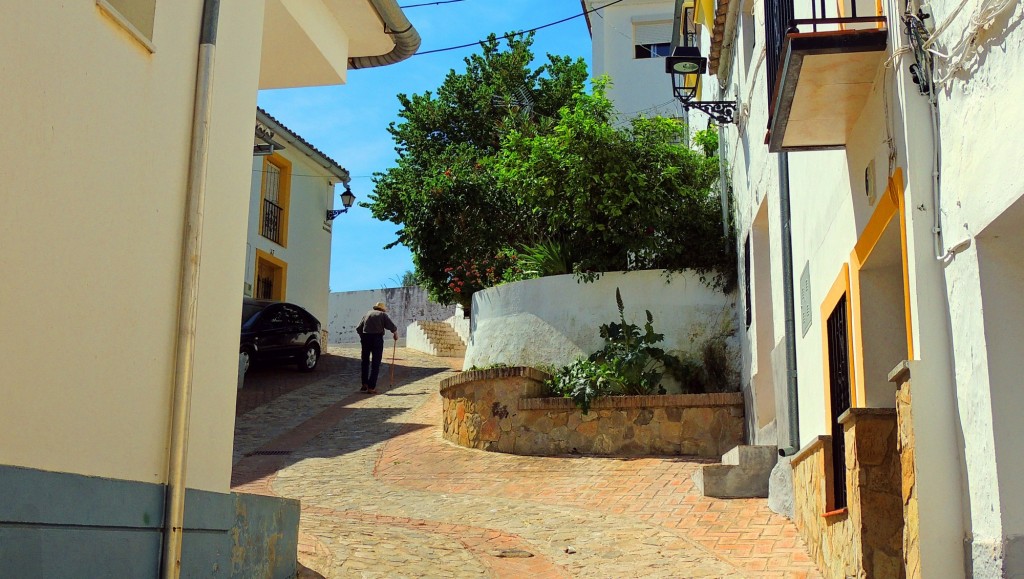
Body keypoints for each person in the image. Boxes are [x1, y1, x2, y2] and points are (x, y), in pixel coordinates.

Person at [355, 301, 398, 394]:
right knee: (376, 363)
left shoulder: (367, 314)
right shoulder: (382, 315)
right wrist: (395, 334)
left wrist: (363, 337)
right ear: (382, 309)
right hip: (377, 339)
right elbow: (391, 326)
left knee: (365, 362)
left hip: (366, 338)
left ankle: (364, 384)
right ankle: (371, 387)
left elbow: (358, 328)